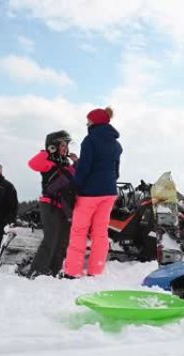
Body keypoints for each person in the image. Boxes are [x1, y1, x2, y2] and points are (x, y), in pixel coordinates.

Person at [62, 107, 122, 278]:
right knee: (101, 233)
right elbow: (116, 172)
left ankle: (73, 271)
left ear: (94, 122)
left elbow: (84, 168)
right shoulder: (116, 145)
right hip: (109, 192)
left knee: (79, 231)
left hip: (89, 194)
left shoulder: (90, 141)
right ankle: (96, 270)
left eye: (88, 120)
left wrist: (75, 186)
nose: (86, 123)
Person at [25, 130, 78, 278]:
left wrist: (77, 163)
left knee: (62, 242)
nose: (65, 148)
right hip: (50, 205)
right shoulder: (49, 162)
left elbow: (76, 181)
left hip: (65, 208)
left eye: (66, 145)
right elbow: (33, 164)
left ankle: (53, 272)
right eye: (62, 145)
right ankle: (36, 272)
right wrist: (48, 151)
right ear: (53, 145)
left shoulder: (67, 164)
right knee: (50, 240)